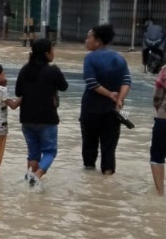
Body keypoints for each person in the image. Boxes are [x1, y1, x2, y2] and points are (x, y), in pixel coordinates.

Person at [15, 38, 69, 188]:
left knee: (33, 153)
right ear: (47, 53)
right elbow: (64, 87)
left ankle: (30, 181)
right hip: (47, 118)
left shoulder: (25, 70)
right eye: (52, 49)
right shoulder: (53, 70)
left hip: (26, 118)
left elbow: (18, 91)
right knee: (50, 151)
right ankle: (38, 175)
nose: (54, 53)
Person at [80, 24, 131, 176]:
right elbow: (127, 81)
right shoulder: (119, 58)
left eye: (89, 37)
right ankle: (107, 178)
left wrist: (110, 94)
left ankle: (89, 180)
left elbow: (91, 82)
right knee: (109, 147)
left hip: (91, 109)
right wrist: (119, 99)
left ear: (98, 41)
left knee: (89, 145)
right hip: (113, 110)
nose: (86, 40)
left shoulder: (90, 58)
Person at [150, 64, 166, 196]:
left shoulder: (165, 70)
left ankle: (160, 193)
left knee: (157, 156)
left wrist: (159, 111)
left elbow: (157, 97)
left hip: (164, 119)